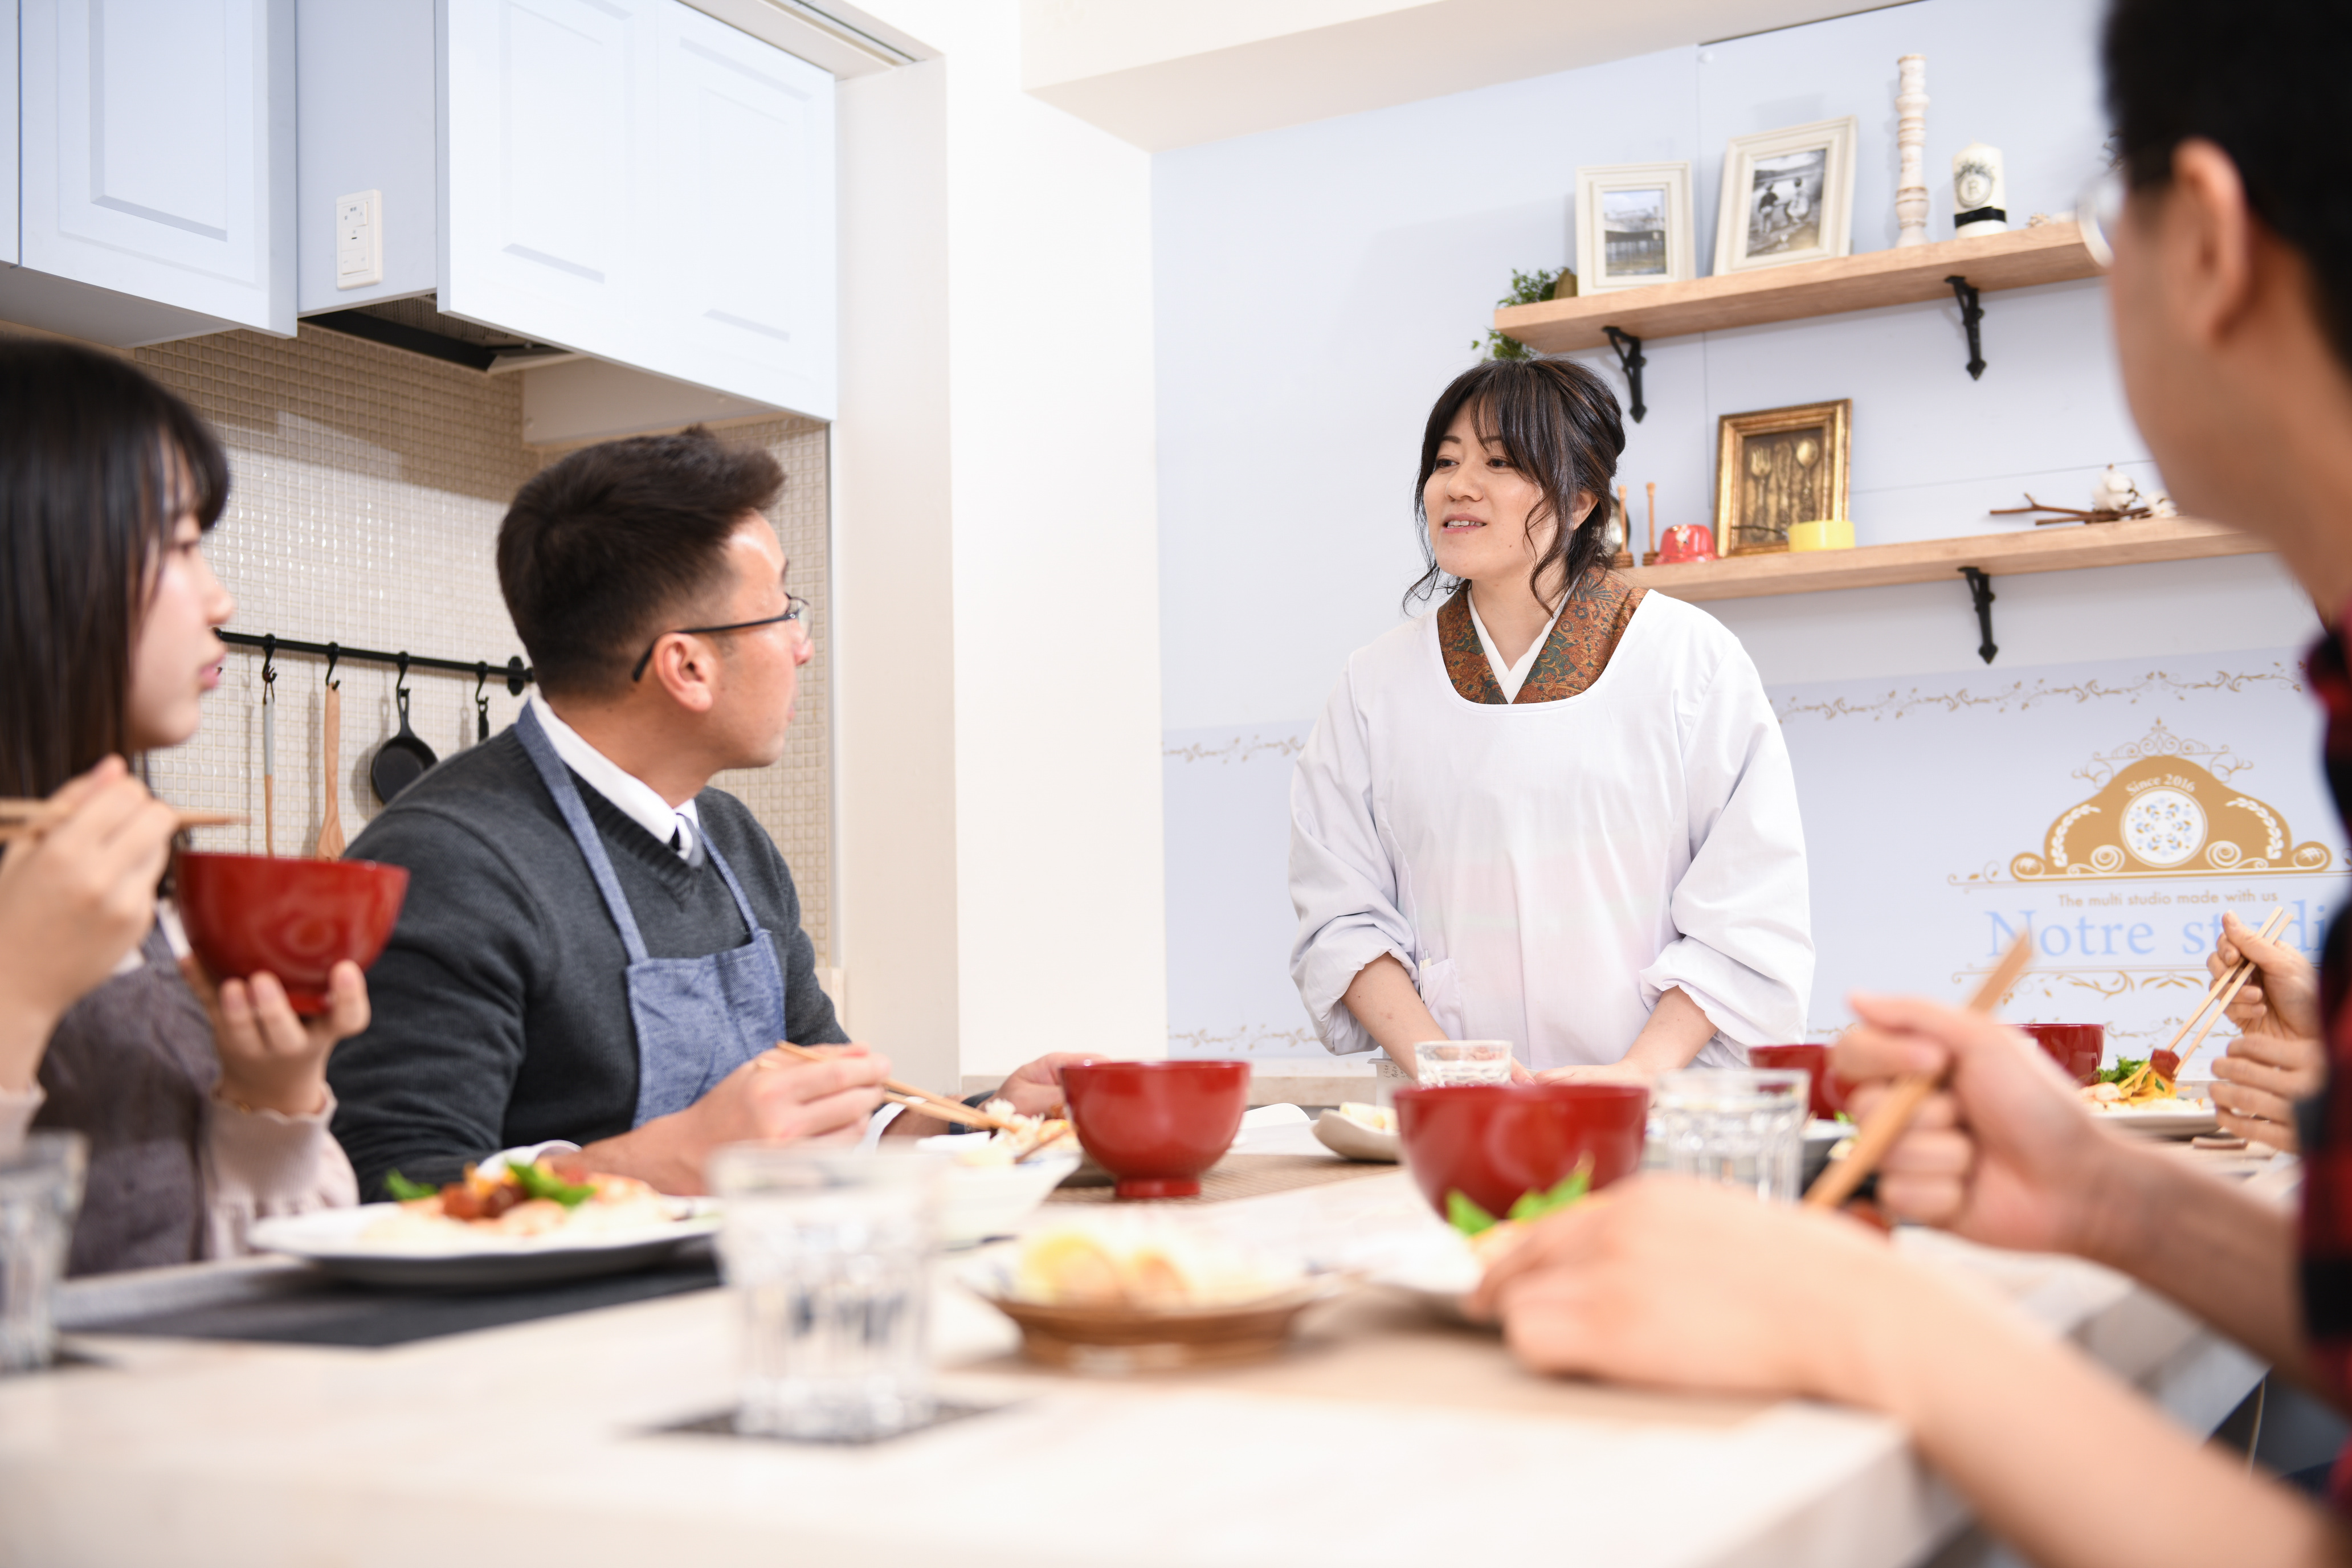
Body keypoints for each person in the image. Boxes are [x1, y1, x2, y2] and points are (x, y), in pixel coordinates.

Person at [1474, 0, 2352, 1559]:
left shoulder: (1688, 661)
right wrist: (2105, 1193)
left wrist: (1866, 1320)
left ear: (2205, 242)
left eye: (2106, 222)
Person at [327, 429, 1068, 1199]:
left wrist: (1000, 1119)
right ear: (687, 666)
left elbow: (827, 1114)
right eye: (783, 611)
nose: (803, 647)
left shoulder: (730, 840)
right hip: (562, 1320)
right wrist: (645, 1167)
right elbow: (392, 1176)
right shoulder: (443, 863)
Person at [1287, 359, 1811, 1081]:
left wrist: (1630, 1080)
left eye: (1500, 462)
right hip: (1446, 1114)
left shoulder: (1692, 662)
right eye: (1446, 461)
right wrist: (1450, 1073)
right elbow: (1341, 915)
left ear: (1583, 499)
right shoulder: (1373, 684)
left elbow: (1748, 912)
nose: (1458, 484)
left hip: (1653, 1115)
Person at [0, 339, 369, 1273]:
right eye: (179, 545)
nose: (220, 596)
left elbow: (224, 1292)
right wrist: (15, 995)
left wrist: (270, 1094)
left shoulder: (134, 887)